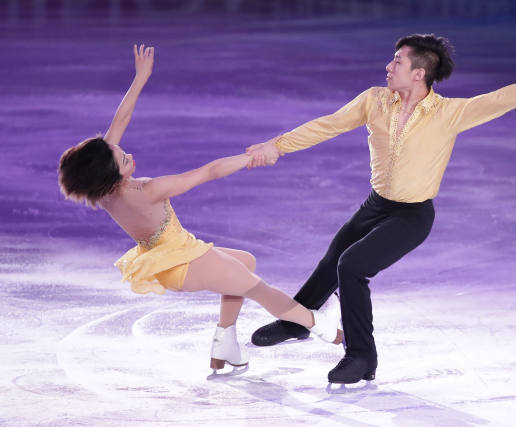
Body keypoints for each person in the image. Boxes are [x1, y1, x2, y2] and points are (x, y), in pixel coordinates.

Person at [247, 33, 516, 384]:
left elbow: (499, 100)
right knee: (332, 260)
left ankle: (361, 357)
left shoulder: (449, 113)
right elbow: (329, 124)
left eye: (397, 61)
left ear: (419, 73)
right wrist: (277, 145)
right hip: (375, 205)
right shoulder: (374, 100)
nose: (388, 66)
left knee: (351, 266)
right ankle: (297, 321)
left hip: (412, 216)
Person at [57, 44, 343, 375]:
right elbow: (207, 172)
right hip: (186, 261)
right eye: (123, 159)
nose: (128, 154)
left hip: (168, 260)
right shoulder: (148, 191)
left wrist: (140, 78)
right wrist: (250, 158)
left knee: (244, 261)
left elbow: (119, 122)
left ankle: (225, 342)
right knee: (259, 289)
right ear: (112, 174)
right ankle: (322, 326)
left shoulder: (104, 191)